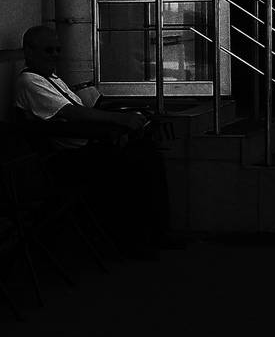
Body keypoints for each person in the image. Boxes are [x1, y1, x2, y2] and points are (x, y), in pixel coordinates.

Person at [14, 25, 170, 258]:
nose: (55, 55)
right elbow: (72, 113)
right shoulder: (30, 81)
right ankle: (137, 240)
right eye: (49, 50)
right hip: (67, 160)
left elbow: (78, 110)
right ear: (29, 51)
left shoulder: (51, 78)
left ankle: (154, 234)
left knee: (147, 154)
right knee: (138, 162)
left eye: (58, 50)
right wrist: (121, 120)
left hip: (84, 148)